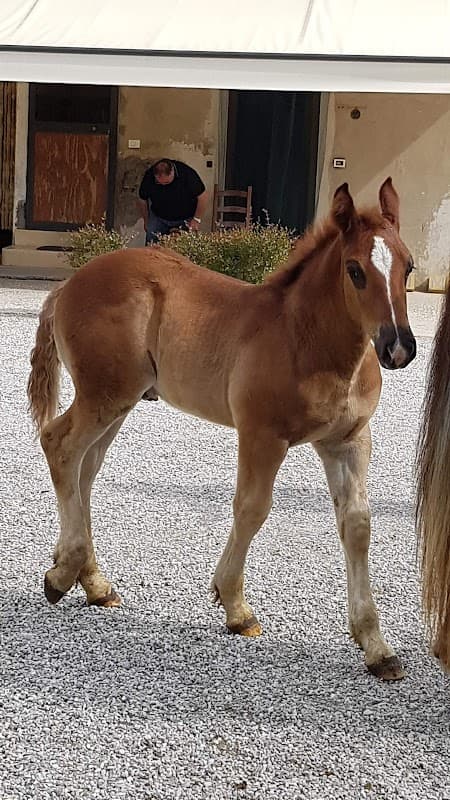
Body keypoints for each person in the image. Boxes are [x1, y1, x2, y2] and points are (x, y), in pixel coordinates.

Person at [138, 158, 208, 245]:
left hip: (185, 218)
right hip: (159, 217)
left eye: (167, 182)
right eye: (159, 183)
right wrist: (146, 220)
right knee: (151, 243)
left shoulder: (186, 173)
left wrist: (196, 219)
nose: (163, 185)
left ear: (172, 172)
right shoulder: (149, 176)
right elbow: (142, 199)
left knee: (187, 246)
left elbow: (202, 196)